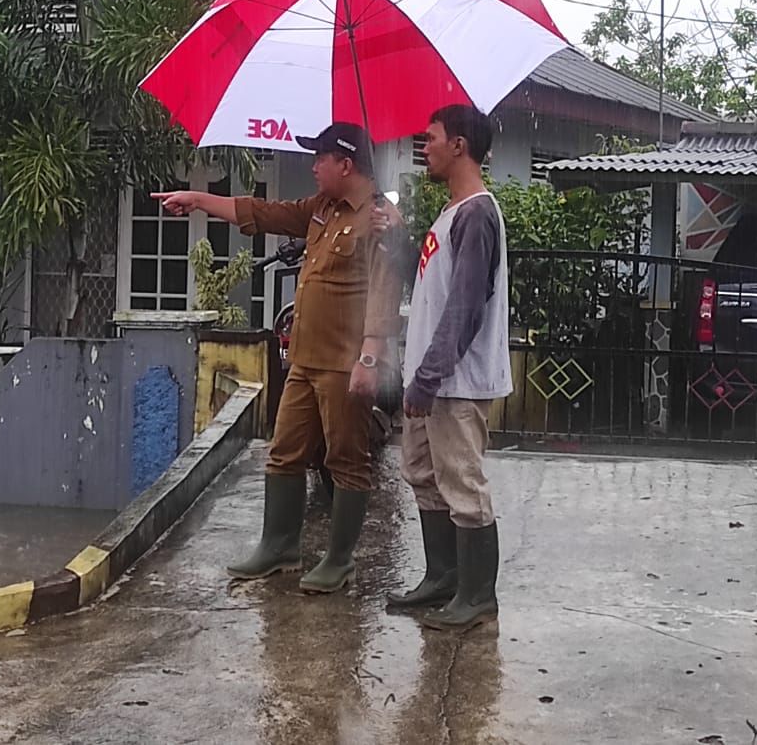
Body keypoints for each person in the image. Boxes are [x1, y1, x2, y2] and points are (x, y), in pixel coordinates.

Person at [152, 122, 404, 594]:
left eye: (320, 158)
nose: (314, 167)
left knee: (346, 459)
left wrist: (370, 357)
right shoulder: (321, 208)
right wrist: (199, 199)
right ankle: (280, 547)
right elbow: (264, 213)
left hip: (344, 363)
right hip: (305, 360)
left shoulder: (380, 220)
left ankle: (340, 560)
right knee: (284, 451)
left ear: (345, 164)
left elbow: (384, 292)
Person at [375, 103, 510, 631]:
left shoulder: (477, 213)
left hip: (455, 382)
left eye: (431, 138)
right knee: (424, 475)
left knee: (462, 483)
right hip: (432, 379)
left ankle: (477, 597)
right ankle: (444, 577)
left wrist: (428, 377)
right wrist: (402, 237)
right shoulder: (453, 212)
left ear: (459, 145)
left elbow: (466, 305)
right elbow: (432, 282)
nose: (423, 146)